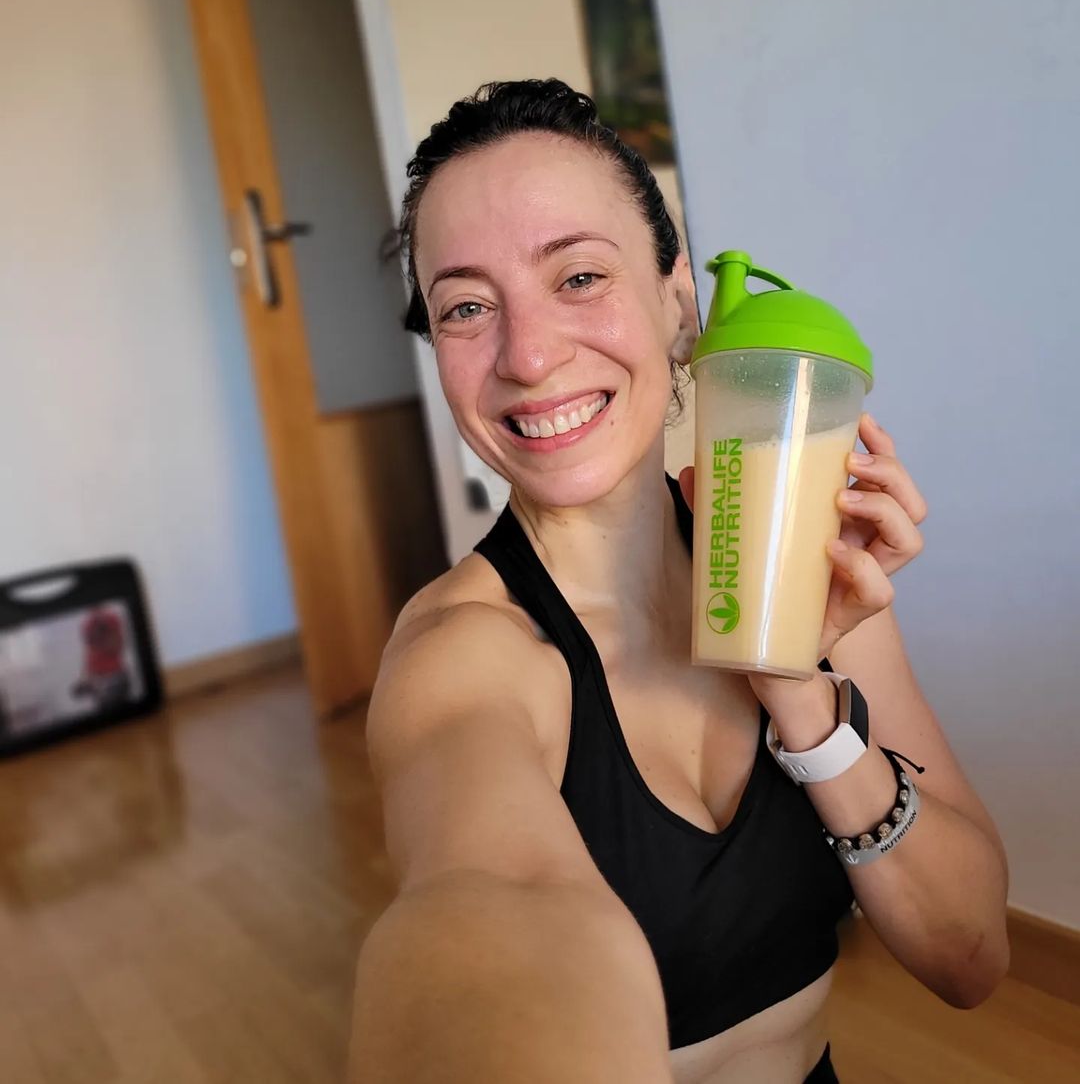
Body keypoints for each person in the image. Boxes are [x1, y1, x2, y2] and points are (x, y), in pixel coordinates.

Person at [350, 80, 1009, 1083]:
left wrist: (802, 697)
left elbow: (972, 958)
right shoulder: (459, 657)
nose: (529, 355)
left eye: (578, 277)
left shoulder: (804, 570)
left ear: (677, 302)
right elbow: (482, 908)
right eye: (468, 307)